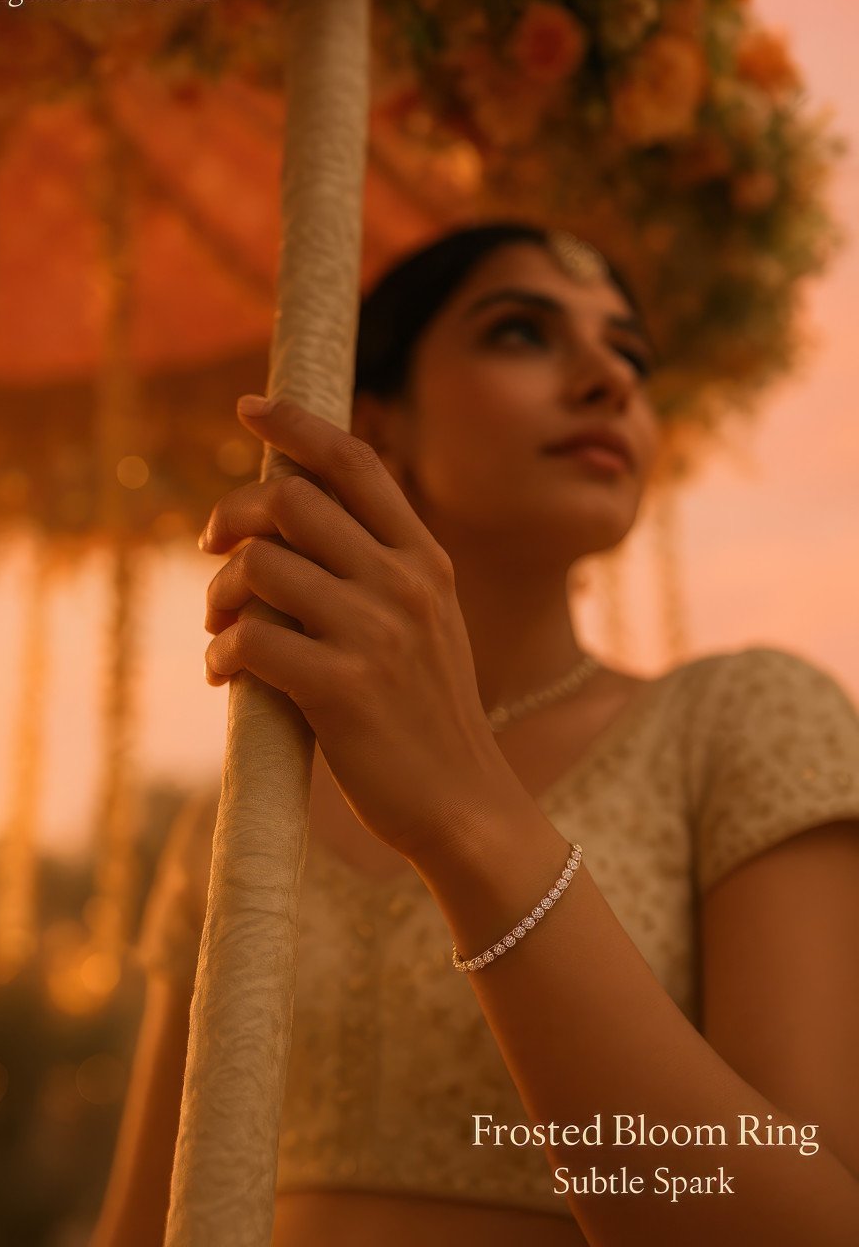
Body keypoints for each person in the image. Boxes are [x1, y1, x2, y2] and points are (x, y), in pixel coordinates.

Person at [91, 223, 859, 1247]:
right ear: (375, 426)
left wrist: (464, 812)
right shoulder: (241, 809)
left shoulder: (746, 722)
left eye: (629, 352)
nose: (606, 380)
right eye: (521, 333)